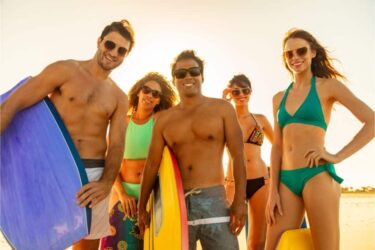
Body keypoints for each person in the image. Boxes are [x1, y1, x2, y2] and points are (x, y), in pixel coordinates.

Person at [0, 20, 135, 250]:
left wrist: (106, 183)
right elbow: (16, 102)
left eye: (122, 50)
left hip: (93, 176)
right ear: (99, 41)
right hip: (51, 169)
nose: (114, 53)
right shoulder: (65, 70)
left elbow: (116, 145)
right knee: (38, 243)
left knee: (87, 247)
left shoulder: (120, 98)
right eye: (110, 45)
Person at [265, 28, 374, 250]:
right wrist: (272, 191)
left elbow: (371, 121)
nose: (295, 57)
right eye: (289, 54)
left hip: (317, 175)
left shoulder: (328, 87)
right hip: (285, 180)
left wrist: (337, 156)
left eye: (301, 51)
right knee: (273, 246)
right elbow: (277, 146)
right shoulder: (278, 98)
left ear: (313, 52)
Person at [137, 50, 247, 250]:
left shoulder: (222, 109)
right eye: (181, 74)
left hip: (214, 201)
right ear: (174, 80)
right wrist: (142, 207)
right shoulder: (163, 120)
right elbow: (152, 165)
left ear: (202, 76)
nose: (188, 76)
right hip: (175, 204)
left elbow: (238, 155)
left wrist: (240, 201)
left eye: (194, 71)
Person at [100, 72, 177, 249]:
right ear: (138, 93)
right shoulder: (123, 122)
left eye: (155, 94)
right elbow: (109, 162)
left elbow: (182, 115)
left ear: (159, 101)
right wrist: (122, 194)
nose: (149, 95)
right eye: (146, 90)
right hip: (122, 195)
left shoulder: (159, 121)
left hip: (152, 197)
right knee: (116, 244)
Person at [223, 74, 273, 250]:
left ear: (251, 91)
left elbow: (280, 147)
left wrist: (274, 170)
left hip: (261, 182)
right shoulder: (224, 119)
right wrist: (223, 102)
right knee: (227, 237)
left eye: (245, 90)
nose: (241, 94)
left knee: (257, 242)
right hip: (233, 183)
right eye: (236, 92)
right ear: (230, 94)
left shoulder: (261, 120)